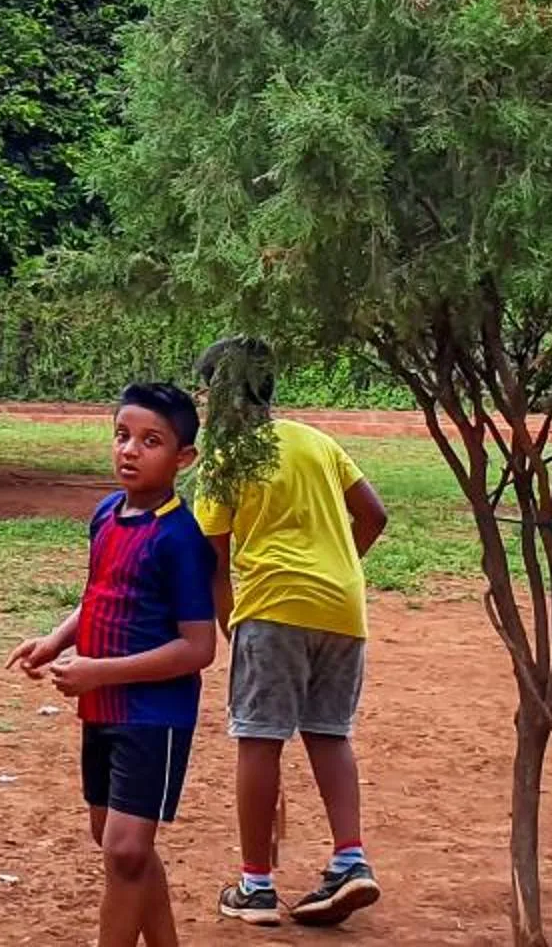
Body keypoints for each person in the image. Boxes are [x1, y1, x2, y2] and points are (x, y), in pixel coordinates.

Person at [10, 381, 218, 947]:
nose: (130, 450)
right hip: (102, 708)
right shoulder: (106, 514)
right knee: (114, 839)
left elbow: (198, 648)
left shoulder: (181, 539)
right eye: (122, 436)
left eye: (150, 441)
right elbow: (100, 595)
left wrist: (99, 670)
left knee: (126, 851)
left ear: (183, 459)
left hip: (156, 714)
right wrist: (55, 640)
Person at [193, 337, 389, 929]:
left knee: (258, 738)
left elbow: (215, 562)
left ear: (220, 397)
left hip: (273, 609)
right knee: (330, 733)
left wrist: (233, 626)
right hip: (343, 609)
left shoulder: (225, 462)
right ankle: (350, 861)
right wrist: (340, 569)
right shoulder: (319, 441)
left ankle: (255, 885)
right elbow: (374, 515)